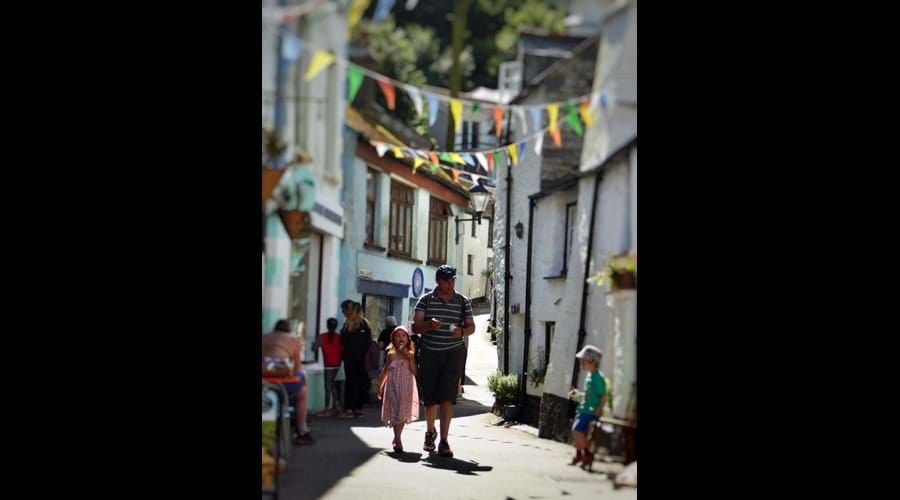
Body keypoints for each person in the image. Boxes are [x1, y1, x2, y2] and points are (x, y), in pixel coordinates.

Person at [412, 265, 475, 458]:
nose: (450, 284)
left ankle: (444, 441)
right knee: (430, 398)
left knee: (448, 397)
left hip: (453, 354)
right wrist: (429, 325)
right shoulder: (426, 300)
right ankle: (430, 432)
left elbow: (471, 327)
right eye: (447, 280)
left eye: (453, 280)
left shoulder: (462, 302)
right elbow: (415, 327)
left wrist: (462, 332)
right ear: (438, 281)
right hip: (429, 353)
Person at [262, 319, 314, 445]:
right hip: (284, 383)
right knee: (303, 389)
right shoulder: (293, 341)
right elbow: (296, 367)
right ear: (288, 330)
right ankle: (302, 429)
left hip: (265, 381)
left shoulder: (265, 338)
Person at [377, 325, 419, 452]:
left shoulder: (410, 354)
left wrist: (409, 358)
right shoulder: (391, 354)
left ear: (407, 339)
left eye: (403, 335)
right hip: (393, 386)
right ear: (393, 339)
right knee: (395, 410)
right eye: (397, 336)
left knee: (402, 412)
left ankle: (397, 437)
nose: (400, 338)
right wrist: (380, 386)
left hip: (406, 387)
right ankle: (398, 438)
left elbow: (414, 371)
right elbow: (385, 371)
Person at [568, 345, 606, 468]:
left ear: (592, 362)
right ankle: (579, 454)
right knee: (576, 432)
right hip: (583, 408)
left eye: (583, 360)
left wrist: (599, 409)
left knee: (577, 430)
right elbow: (588, 394)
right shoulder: (589, 376)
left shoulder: (598, 378)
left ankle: (587, 454)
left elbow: (603, 395)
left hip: (590, 411)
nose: (581, 363)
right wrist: (578, 395)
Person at [340, 300, 374, 418]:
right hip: (362, 359)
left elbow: (343, 342)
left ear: (349, 310)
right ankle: (358, 409)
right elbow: (369, 341)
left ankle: (349, 409)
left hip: (350, 359)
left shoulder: (348, 325)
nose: (343, 312)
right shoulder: (366, 324)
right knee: (360, 383)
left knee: (351, 383)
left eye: (344, 310)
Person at [312, 318, 342, 417]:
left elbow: (313, 348)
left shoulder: (322, 336)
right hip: (337, 364)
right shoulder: (339, 337)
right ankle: (337, 405)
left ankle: (327, 409)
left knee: (328, 387)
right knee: (332, 384)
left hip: (328, 364)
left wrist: (313, 343)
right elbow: (342, 349)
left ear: (327, 325)